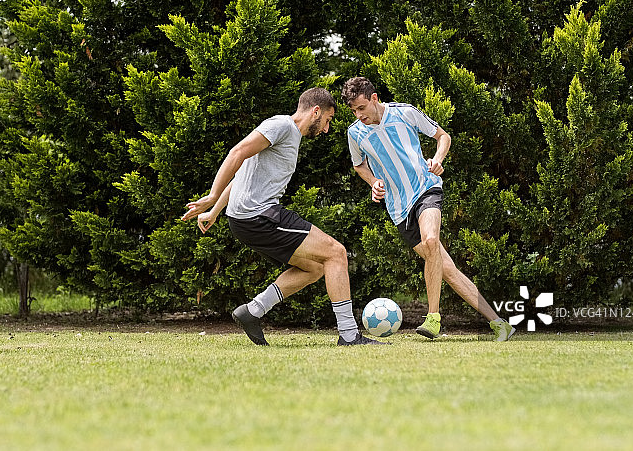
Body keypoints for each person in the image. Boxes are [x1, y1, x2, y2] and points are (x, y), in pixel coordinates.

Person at [182, 87, 383, 346]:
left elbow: (245, 170)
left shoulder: (289, 136)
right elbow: (237, 152)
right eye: (328, 120)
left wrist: (215, 210)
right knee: (336, 252)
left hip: (246, 218)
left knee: (315, 267)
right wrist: (212, 196)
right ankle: (349, 335)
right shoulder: (281, 125)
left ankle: (253, 311)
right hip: (258, 216)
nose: (326, 129)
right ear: (316, 111)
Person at [341, 76, 515, 341]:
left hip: (426, 188)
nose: (358, 115)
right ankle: (500, 324)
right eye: (353, 110)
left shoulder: (405, 113)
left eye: (362, 108)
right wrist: (374, 182)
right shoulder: (355, 133)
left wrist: (437, 159)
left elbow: (443, 136)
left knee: (431, 240)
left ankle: (433, 318)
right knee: (447, 269)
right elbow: (358, 165)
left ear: (374, 98)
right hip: (399, 209)